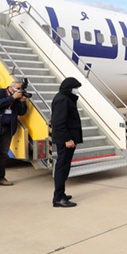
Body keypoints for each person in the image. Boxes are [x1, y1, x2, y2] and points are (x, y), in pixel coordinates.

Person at [50, 77, 83, 208]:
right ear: (70, 88)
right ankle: (58, 198)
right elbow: (58, 122)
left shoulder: (66, 98)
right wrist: (67, 139)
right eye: (76, 88)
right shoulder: (62, 99)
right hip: (65, 140)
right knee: (62, 167)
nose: (77, 91)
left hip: (68, 139)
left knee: (65, 166)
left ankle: (60, 194)